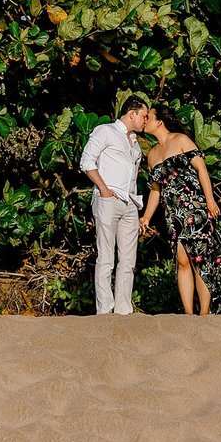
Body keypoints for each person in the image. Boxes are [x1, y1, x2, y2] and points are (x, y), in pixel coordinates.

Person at [139, 103, 221, 315]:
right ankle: (188, 314)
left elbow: (202, 169)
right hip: (173, 215)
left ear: (159, 121)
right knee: (182, 260)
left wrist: (210, 201)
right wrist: (146, 217)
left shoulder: (180, 140)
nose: (145, 121)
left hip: (194, 209)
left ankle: (204, 313)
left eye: (148, 117)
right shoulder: (151, 154)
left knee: (200, 260)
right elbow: (155, 189)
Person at [78, 94, 148, 315]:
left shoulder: (136, 144)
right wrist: (104, 190)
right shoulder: (105, 131)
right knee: (106, 256)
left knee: (128, 260)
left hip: (130, 202)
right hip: (109, 199)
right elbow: (86, 161)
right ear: (132, 113)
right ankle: (104, 310)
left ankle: (123, 310)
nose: (146, 121)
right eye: (144, 116)